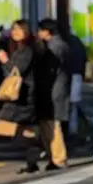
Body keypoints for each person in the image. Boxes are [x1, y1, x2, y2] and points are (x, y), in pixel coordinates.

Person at [0, 21, 49, 173]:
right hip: (20, 94)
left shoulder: (27, 50)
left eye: (19, 29)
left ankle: (39, 145)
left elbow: (19, 70)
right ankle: (33, 159)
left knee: (4, 125)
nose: (15, 32)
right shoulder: (21, 49)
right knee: (24, 128)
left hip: (24, 95)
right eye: (13, 29)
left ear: (26, 31)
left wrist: (5, 60)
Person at [36, 19, 70, 168]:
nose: (38, 33)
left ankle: (58, 158)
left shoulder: (54, 47)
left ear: (46, 31)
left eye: (40, 30)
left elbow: (49, 70)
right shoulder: (60, 44)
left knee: (53, 124)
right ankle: (54, 157)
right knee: (48, 124)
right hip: (56, 87)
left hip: (54, 89)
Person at [66, 28, 88, 136]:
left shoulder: (64, 42)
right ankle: (73, 129)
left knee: (70, 105)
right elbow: (84, 58)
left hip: (69, 75)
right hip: (77, 74)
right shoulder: (77, 41)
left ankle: (72, 130)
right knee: (74, 105)